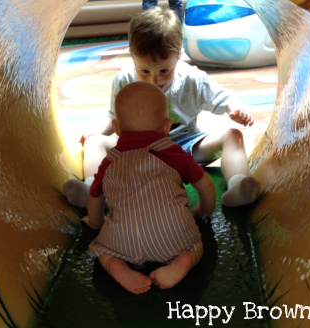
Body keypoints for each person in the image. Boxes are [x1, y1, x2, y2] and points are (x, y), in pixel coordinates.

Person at [62, 6, 260, 210]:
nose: (154, 79)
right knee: (95, 143)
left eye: (164, 70)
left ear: (179, 55)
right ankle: (92, 190)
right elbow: (115, 117)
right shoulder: (124, 80)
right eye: (144, 70)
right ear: (132, 56)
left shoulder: (193, 79)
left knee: (233, 135)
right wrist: (97, 133)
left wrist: (234, 109)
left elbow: (224, 98)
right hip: (137, 150)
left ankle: (238, 186)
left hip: (185, 148)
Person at [84, 81, 216, 294]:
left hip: (122, 241)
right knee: (196, 248)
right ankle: (182, 262)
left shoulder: (110, 161)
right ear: (167, 126)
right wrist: (203, 210)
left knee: (103, 252)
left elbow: (95, 197)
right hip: (173, 238)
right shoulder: (173, 153)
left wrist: (95, 223)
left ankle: (118, 268)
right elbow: (207, 185)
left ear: (116, 128)